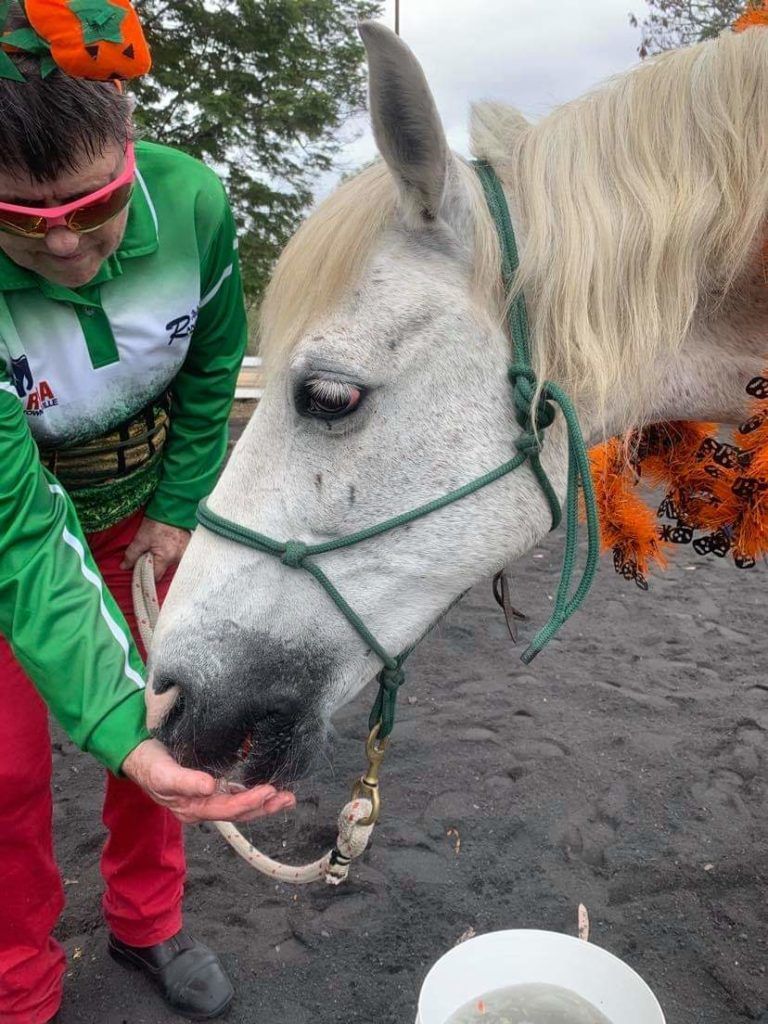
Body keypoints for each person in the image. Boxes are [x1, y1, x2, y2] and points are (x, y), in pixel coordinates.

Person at [0, 3, 295, 1021]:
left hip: (143, 516)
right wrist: (113, 726)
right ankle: (19, 981)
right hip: (14, 530)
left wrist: (178, 505)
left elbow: (214, 366)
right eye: (22, 223)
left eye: (92, 208)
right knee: (4, 770)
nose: (70, 252)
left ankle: (147, 921)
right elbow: (23, 535)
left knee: (170, 720)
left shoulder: (194, 201)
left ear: (130, 136)